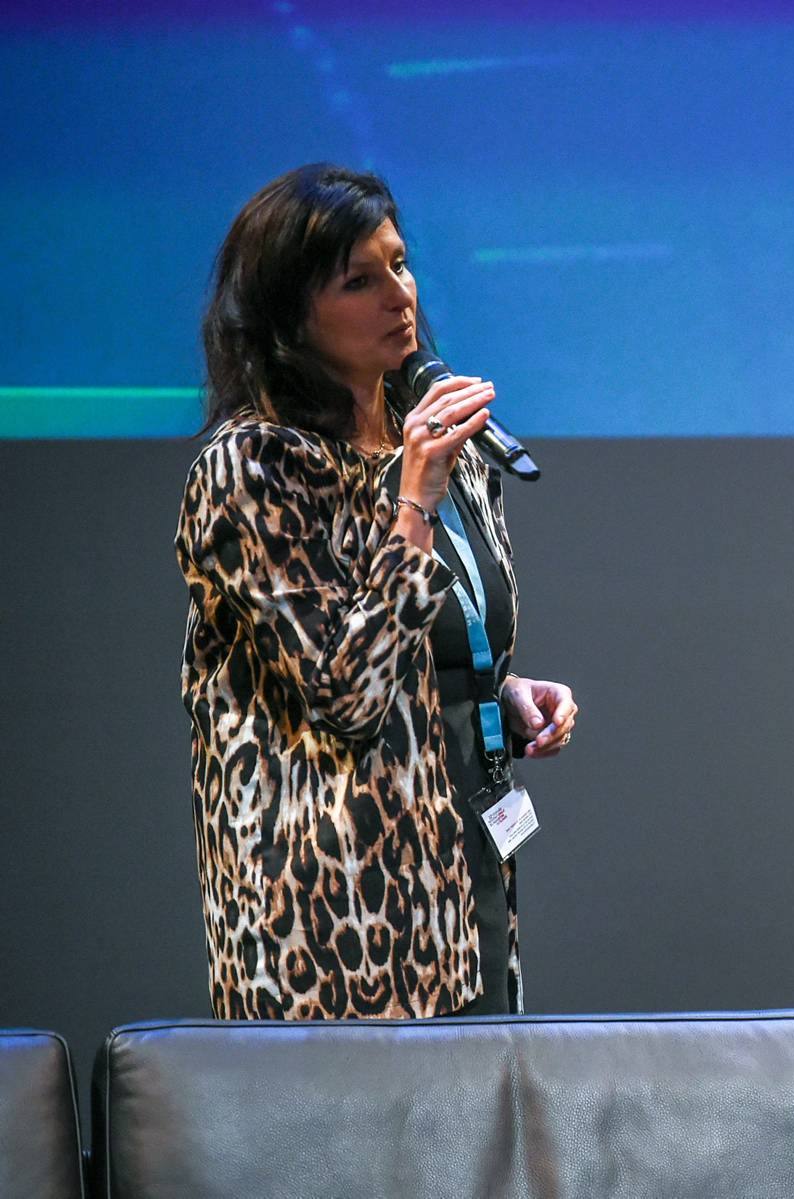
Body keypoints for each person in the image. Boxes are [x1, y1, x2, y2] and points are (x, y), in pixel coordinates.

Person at [176, 163, 578, 1019]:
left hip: (464, 881)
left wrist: (497, 692)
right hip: (330, 918)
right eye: (361, 280)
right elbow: (345, 694)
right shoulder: (254, 467)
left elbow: (425, 647)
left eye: (399, 264)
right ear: (289, 313)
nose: (399, 295)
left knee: (478, 1144)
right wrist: (414, 501)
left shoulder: (443, 450)